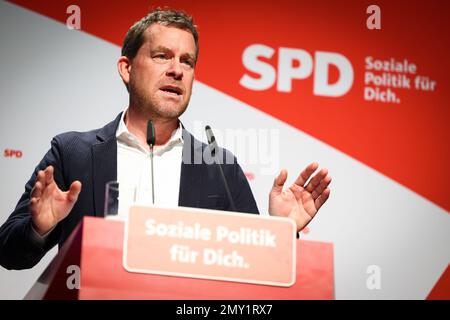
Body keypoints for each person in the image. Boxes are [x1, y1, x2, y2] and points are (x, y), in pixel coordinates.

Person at [0, 8, 331, 270]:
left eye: (187, 61)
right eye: (162, 56)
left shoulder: (220, 168)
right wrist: (38, 228)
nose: (177, 70)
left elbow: (257, 273)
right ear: (126, 68)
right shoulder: (72, 153)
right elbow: (8, 253)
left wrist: (284, 234)